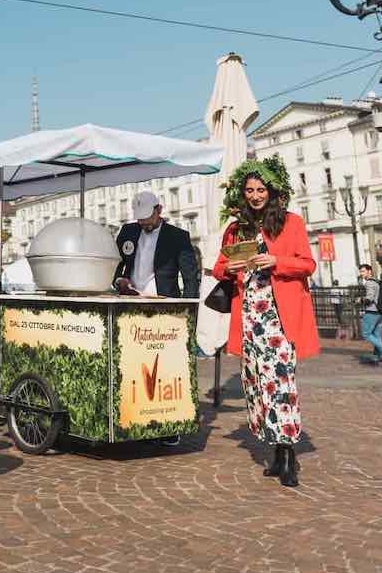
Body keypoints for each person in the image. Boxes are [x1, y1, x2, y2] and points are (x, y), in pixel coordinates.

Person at [212, 155, 319, 489]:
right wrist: (227, 269)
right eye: (249, 190)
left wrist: (276, 261)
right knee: (257, 384)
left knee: (281, 384)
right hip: (249, 316)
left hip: (278, 317)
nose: (255, 195)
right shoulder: (235, 228)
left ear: (272, 192)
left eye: (260, 190)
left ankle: (289, 455)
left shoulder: (292, 223)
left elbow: (308, 264)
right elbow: (218, 267)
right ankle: (273, 450)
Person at [112, 191, 200, 298]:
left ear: (159, 210)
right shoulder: (127, 231)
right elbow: (114, 263)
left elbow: (190, 278)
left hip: (163, 302)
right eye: (140, 218)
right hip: (130, 299)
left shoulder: (178, 237)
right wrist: (118, 280)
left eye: (148, 216)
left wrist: (188, 308)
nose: (144, 222)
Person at [358, 264, 382, 365]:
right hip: (379, 312)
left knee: (366, 334)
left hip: (372, 311)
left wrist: (360, 300)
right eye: (360, 271)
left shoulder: (369, 283)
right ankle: (380, 356)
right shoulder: (376, 282)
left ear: (369, 271)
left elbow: (370, 298)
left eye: (363, 271)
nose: (361, 273)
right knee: (377, 335)